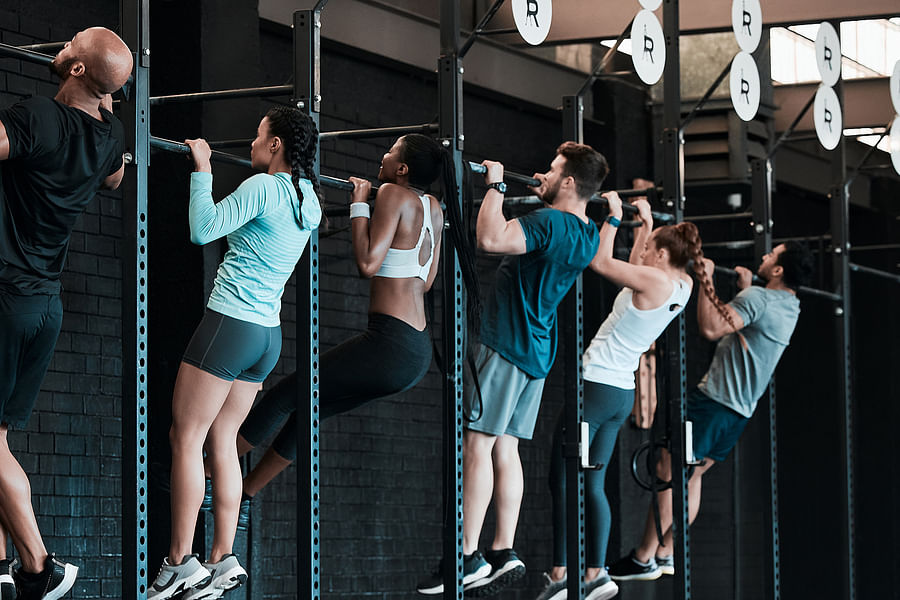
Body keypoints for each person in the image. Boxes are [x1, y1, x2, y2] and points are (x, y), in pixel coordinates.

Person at [223, 134, 474, 525]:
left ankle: (208, 472)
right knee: (311, 408)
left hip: (389, 345)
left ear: (402, 169)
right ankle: (245, 495)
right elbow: (424, 281)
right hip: (414, 355)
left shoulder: (392, 193)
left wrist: (360, 206)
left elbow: (367, 264)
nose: (383, 156)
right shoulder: (435, 208)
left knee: (287, 394)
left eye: (391, 152)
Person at [417, 142, 608, 596]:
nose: (542, 173)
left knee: (478, 445)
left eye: (552, 168)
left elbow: (490, 238)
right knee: (506, 449)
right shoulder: (588, 234)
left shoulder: (550, 223)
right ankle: (503, 549)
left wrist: (497, 185)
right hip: (538, 354)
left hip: (507, 345)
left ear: (567, 182)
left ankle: (466, 557)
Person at [147, 106, 323, 600]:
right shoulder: (307, 198)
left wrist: (201, 166)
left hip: (231, 323)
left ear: (277, 146)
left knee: (185, 437)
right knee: (222, 440)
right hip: (266, 337)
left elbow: (203, 228)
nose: (250, 143)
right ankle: (222, 557)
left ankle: (179, 562)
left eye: (258, 134)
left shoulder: (264, 187)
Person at [0, 27, 132, 600]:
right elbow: (115, 177)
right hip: (43, 306)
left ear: (77, 68)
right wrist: (105, 99)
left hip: (5, 298)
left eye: (74, 41)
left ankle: (38, 566)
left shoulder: (37, 119)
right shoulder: (110, 137)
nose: (64, 41)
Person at [607, 241, 813, 582]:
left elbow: (711, 328)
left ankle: (643, 557)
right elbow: (752, 322)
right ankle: (665, 551)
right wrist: (746, 290)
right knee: (693, 477)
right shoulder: (789, 304)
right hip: (738, 413)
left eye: (771, 255)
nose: (764, 256)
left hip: (714, 403)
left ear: (777, 270)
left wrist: (706, 280)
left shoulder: (759, 300)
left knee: (669, 472)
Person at [536, 193, 701, 600]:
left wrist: (612, 219)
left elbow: (602, 263)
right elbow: (643, 262)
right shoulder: (683, 284)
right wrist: (645, 223)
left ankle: (561, 572)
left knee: (561, 479)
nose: (646, 250)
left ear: (662, 254)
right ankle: (595, 572)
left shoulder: (657, 279)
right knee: (592, 485)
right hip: (619, 393)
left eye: (652, 245)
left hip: (596, 387)